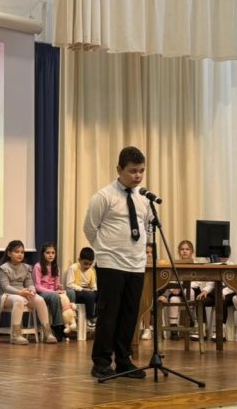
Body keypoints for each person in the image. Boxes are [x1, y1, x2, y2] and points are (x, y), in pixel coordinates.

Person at [83, 146, 154, 379]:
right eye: (133, 171)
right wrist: (105, 250)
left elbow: (148, 226)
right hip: (111, 264)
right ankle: (101, 362)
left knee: (129, 315)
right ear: (119, 169)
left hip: (136, 265)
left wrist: (144, 248)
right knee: (109, 315)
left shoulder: (143, 198)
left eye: (141, 171)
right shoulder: (104, 196)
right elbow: (90, 228)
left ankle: (124, 361)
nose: (138, 176)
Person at [0, 240, 57, 345]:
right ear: (9, 253)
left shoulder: (26, 267)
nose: (20, 254)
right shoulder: (3, 268)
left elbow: (30, 284)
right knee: (19, 300)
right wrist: (20, 292)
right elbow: (6, 287)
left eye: (22, 252)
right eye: (17, 252)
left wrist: (31, 291)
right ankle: (15, 335)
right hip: (6, 296)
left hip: (23, 294)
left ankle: (47, 333)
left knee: (40, 300)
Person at [32, 242, 75, 341]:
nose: (50, 255)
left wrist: (59, 288)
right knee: (54, 296)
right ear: (43, 254)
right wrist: (54, 292)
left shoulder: (56, 267)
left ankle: (68, 322)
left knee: (71, 292)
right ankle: (57, 326)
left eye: (53, 253)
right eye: (48, 253)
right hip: (42, 293)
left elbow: (56, 286)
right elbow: (37, 286)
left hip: (53, 292)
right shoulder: (38, 267)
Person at [156, 240, 196, 340]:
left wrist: (182, 288)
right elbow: (171, 280)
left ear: (192, 251)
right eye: (182, 249)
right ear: (179, 251)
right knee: (173, 300)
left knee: (189, 292)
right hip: (176, 293)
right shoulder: (175, 264)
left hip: (189, 291)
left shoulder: (196, 264)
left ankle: (190, 321)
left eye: (187, 249)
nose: (185, 251)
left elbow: (198, 282)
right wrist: (174, 288)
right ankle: (174, 329)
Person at [65, 247, 98, 328]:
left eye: (90, 264)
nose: (88, 266)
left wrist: (94, 290)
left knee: (101, 294)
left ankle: (97, 317)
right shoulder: (73, 268)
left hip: (88, 291)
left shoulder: (91, 270)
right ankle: (90, 318)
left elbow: (93, 286)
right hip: (77, 292)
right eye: (86, 263)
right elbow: (69, 284)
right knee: (90, 295)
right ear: (79, 260)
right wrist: (83, 289)